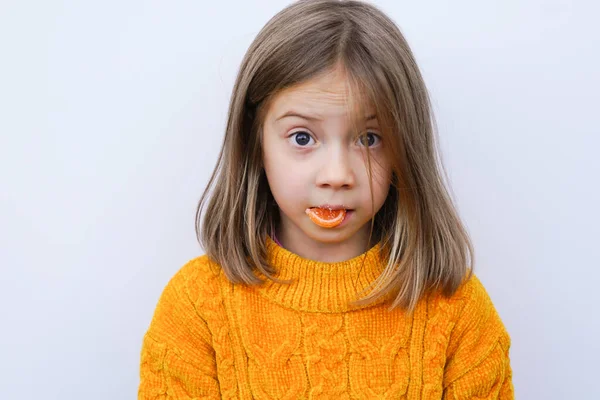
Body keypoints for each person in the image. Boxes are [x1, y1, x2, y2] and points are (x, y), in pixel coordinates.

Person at [138, 0, 514, 398]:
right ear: (254, 143)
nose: (337, 175)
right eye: (303, 138)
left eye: (369, 139)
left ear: (403, 149)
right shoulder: (196, 308)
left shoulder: (456, 310)